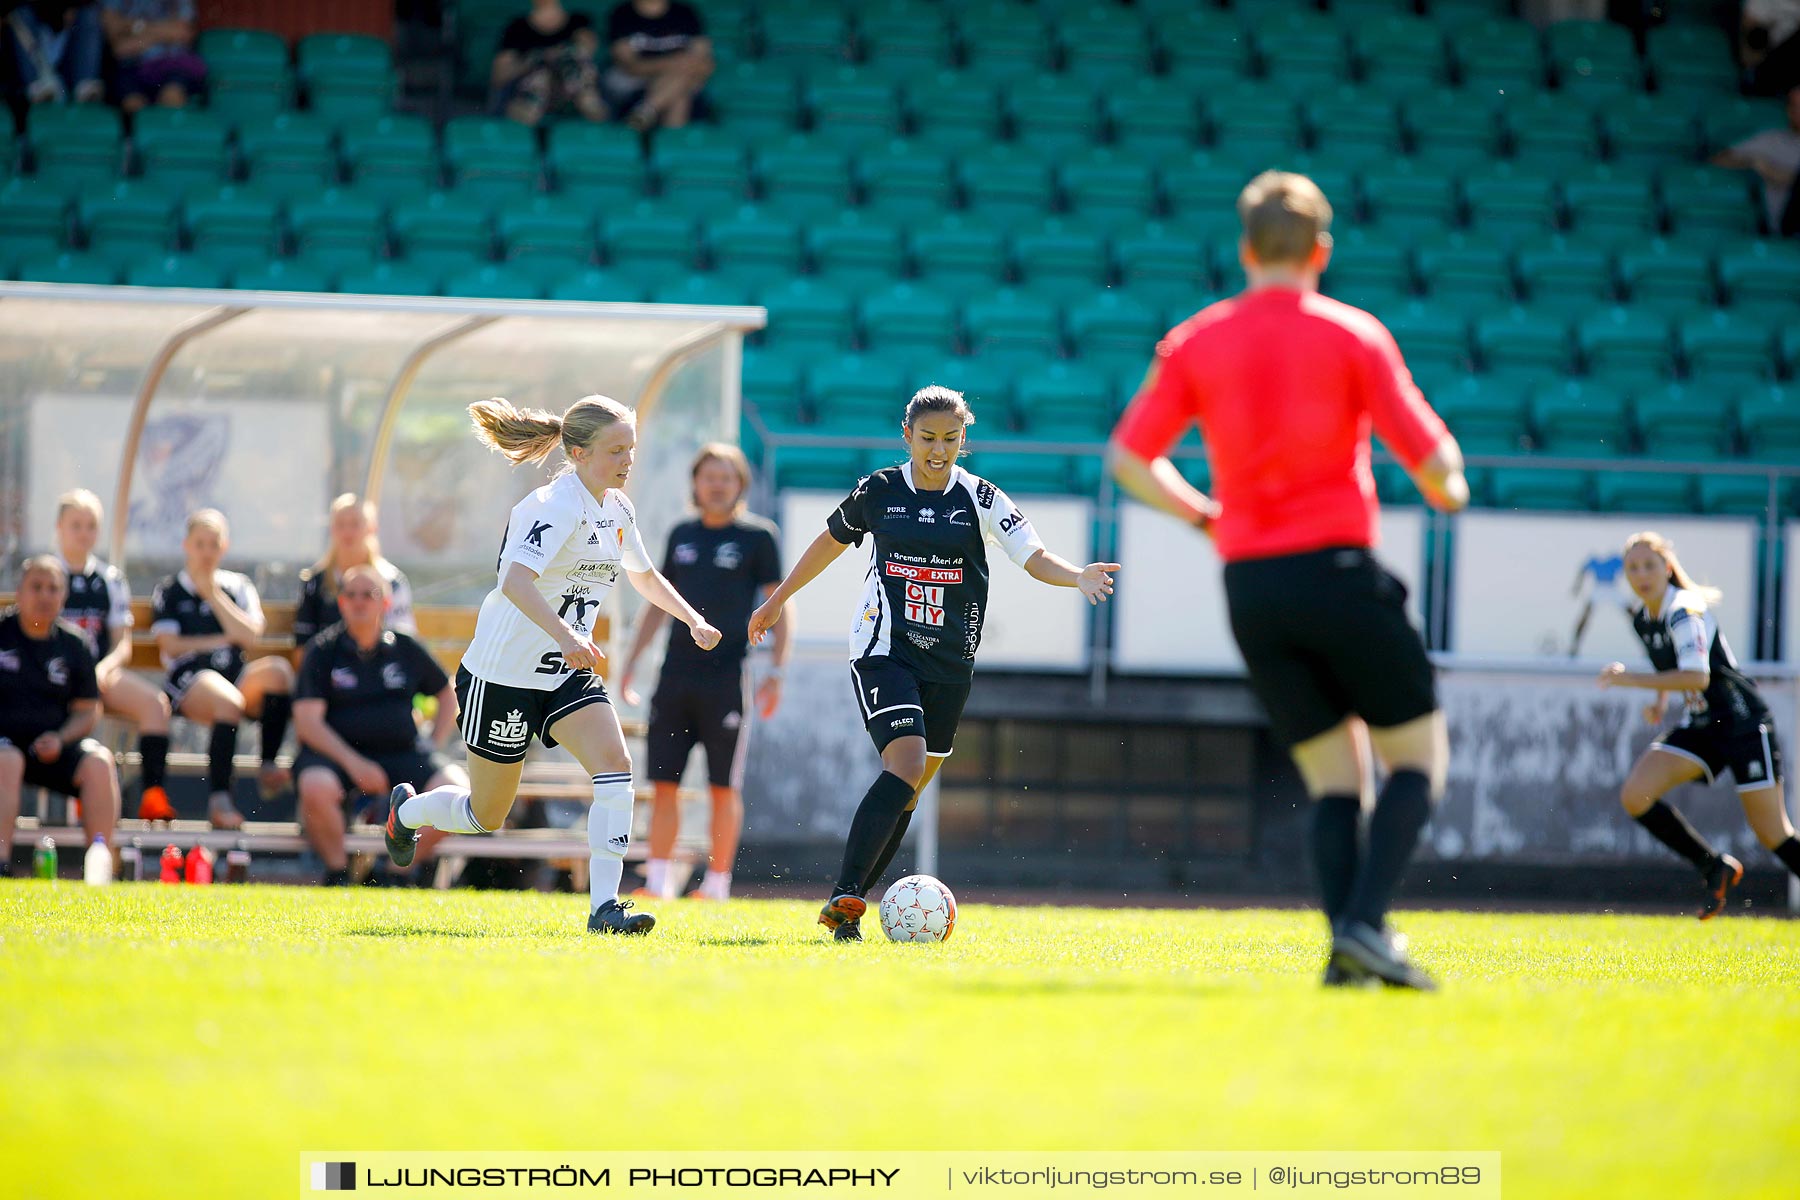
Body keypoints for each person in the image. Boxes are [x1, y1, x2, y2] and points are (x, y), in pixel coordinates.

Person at [1107, 170, 1469, 991]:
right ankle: (1367, 926)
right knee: (1418, 760)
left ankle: (1347, 957)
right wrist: (1451, 486)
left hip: (1252, 588)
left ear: (1245, 249)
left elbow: (1128, 459)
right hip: (1338, 571)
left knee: (1336, 778)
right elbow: (1434, 462)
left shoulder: (1198, 339)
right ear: (1321, 250)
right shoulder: (1353, 334)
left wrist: (1207, 517)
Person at [748, 385, 1120, 942]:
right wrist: (777, 600)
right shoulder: (879, 491)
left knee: (911, 788)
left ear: (963, 439)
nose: (939, 449)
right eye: (928, 438)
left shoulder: (982, 497)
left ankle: (847, 910)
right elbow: (828, 542)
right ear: (908, 436)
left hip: (950, 665)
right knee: (905, 765)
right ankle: (845, 896)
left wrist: (1077, 576)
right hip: (884, 650)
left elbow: (1033, 556)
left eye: (951, 438)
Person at [381, 395, 723, 935]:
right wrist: (567, 636)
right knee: (485, 815)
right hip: (502, 676)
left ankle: (604, 909)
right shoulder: (551, 505)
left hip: (564, 671)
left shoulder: (617, 508)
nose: (627, 460)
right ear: (579, 452)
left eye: (631, 448)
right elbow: (515, 581)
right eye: (616, 450)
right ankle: (408, 813)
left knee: (615, 768)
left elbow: (644, 575)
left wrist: (692, 619)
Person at [1599, 531, 1800, 917]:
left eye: (1649, 565)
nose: (1641, 575)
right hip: (1705, 725)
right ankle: (1713, 866)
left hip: (1743, 723)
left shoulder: (1684, 608)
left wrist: (1631, 680)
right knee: (1635, 794)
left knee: (1773, 834)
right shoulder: (1643, 617)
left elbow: (1696, 678)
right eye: (1632, 568)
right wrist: (1659, 701)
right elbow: (1669, 666)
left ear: (1668, 567)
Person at [618, 443, 786, 901]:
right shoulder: (681, 535)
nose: (716, 485)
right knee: (664, 784)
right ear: (695, 483)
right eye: (709, 476)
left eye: (726, 477)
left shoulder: (758, 537)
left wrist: (776, 672)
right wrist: (630, 666)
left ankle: (716, 885)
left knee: (721, 787)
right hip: (674, 680)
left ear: (740, 485)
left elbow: (778, 608)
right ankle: (656, 882)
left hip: (726, 681)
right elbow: (657, 605)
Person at [293, 564, 463, 887]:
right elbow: (307, 723)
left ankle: (394, 871)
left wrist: (433, 741)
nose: (359, 602)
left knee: (455, 790)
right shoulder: (322, 650)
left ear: (385, 603)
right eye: (351, 595)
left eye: (368, 595)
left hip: (402, 752)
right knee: (314, 785)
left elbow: (447, 692)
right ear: (341, 603)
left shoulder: (405, 647)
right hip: (337, 756)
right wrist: (354, 763)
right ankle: (339, 874)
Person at [150, 509, 294, 831]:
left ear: (224, 547)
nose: (206, 552)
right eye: (200, 544)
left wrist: (212, 594)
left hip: (235, 673)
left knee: (278, 673)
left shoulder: (236, 586)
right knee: (227, 701)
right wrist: (222, 638)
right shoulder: (171, 589)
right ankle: (220, 799)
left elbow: (251, 636)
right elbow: (171, 646)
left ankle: (268, 767)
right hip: (190, 679)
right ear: (187, 545)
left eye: (213, 544)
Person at [51, 488, 176, 821]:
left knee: (155, 705)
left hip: (99, 676)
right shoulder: (45, 577)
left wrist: (103, 668)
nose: (83, 533)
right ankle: (80, 789)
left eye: (91, 525)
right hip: (53, 677)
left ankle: (152, 795)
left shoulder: (109, 579)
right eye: (75, 524)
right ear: (59, 527)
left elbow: (122, 643)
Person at [0, 555, 120, 872]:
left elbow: (88, 710)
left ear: (63, 596)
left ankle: (100, 868)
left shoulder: (75, 645)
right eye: (36, 587)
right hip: (4, 747)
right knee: (7, 759)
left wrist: (60, 738)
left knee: (99, 762)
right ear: (19, 591)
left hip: (53, 746)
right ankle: (1, 864)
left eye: (53, 588)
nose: (44, 595)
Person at [293, 493, 417, 650]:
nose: (347, 532)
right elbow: (303, 649)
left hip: (381, 668)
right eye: (340, 524)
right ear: (331, 529)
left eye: (355, 524)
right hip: (329, 669)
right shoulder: (315, 582)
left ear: (372, 528)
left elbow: (404, 641)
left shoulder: (392, 581)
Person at [491, 0, 607, 127]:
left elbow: (586, 54)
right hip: (532, 93)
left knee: (572, 62)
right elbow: (499, 76)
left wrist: (559, 54)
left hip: (571, 91)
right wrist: (535, 60)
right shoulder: (518, 27)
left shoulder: (578, 21)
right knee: (541, 74)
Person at [602, 0, 711, 131]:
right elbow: (629, 65)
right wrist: (673, 63)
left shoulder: (685, 12)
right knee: (681, 89)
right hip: (632, 80)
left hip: (678, 76)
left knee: (681, 90)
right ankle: (669, 145)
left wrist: (679, 68)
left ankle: (644, 112)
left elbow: (703, 61)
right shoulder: (622, 13)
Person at [1711, 85, 1800, 237]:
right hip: (1785, 230)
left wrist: (1786, 176)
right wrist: (1755, 161)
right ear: (1787, 110)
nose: (1797, 112)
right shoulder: (1772, 140)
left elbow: (1786, 178)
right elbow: (1718, 160)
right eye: (1794, 106)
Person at [99, 0, 203, 113]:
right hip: (131, 67)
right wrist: (165, 31)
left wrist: (135, 27)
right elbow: (120, 48)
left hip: (173, 65)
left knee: (172, 95)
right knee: (133, 105)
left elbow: (183, 33)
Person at [3, 0, 104, 106]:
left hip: (69, 46)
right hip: (35, 44)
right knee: (21, 14)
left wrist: (71, 8)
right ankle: (38, 87)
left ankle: (85, 86)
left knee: (89, 14)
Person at [1568, 550, 1629, 658]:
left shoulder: (1615, 558)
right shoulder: (1593, 559)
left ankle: (1648, 643)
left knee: (1632, 614)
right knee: (1585, 616)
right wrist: (1577, 586)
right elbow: (1582, 571)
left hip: (1612, 587)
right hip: (1599, 587)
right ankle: (1574, 646)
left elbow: (1628, 568)